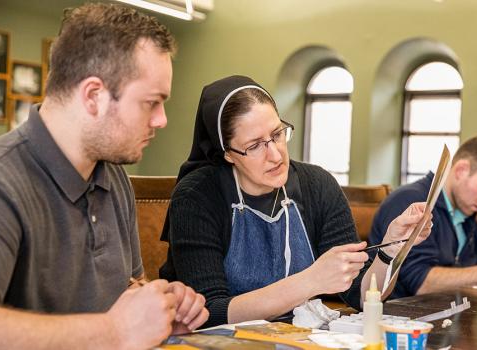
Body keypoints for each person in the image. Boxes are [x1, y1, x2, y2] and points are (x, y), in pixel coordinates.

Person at [0, 3, 208, 349]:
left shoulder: (113, 177)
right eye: (151, 102)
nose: (161, 120)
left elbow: (129, 289)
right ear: (94, 96)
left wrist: (159, 308)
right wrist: (113, 331)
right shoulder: (0, 182)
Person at [159, 75, 432, 327]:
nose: (276, 155)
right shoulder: (197, 195)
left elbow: (361, 297)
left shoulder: (317, 185)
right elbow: (211, 313)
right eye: (255, 146)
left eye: (277, 135)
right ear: (227, 154)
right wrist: (310, 281)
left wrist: (391, 251)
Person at [369, 134, 477, 299]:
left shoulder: (469, 219)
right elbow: (421, 283)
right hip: (401, 322)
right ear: (461, 170)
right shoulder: (410, 202)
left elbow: (472, 278)